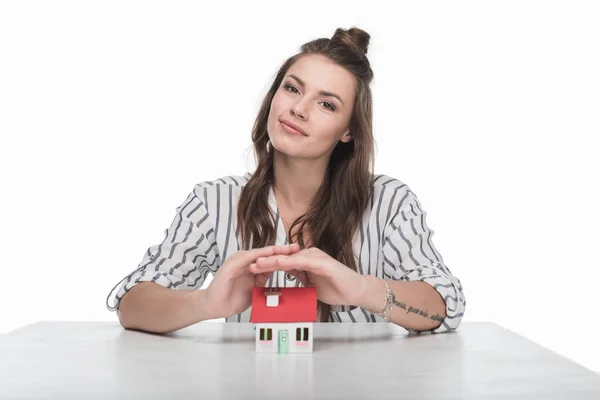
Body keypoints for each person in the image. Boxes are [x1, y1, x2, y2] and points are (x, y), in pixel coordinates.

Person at [105, 27, 466, 335]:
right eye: (292, 89)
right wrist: (204, 302)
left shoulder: (389, 202)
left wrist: (360, 288)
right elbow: (132, 304)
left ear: (348, 131)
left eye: (327, 105)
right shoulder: (213, 200)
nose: (298, 108)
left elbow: (443, 306)